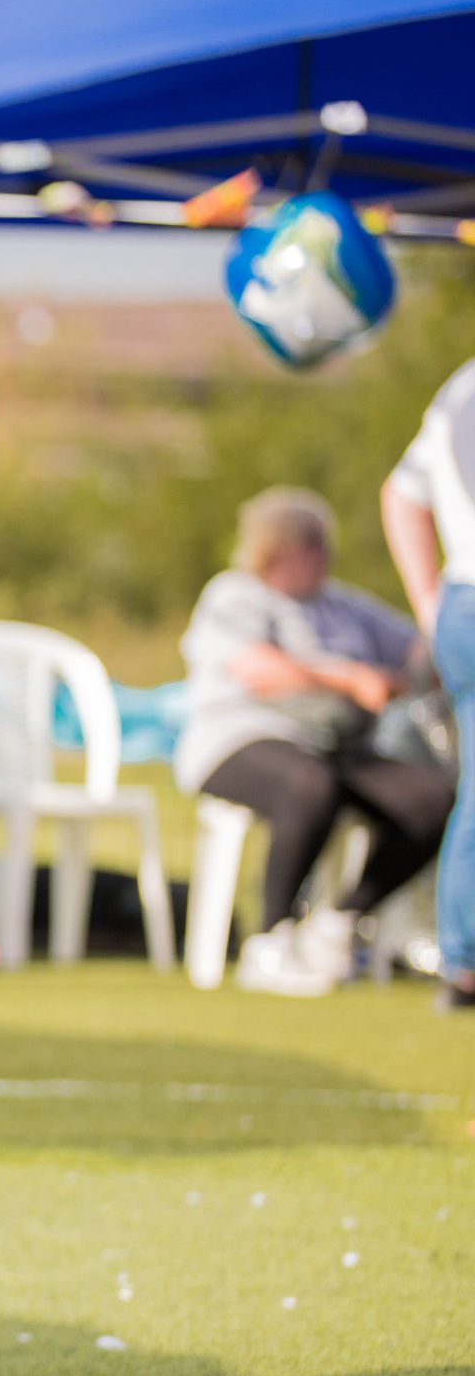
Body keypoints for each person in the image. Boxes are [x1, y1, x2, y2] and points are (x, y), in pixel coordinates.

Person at [181, 487, 451, 997]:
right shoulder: (237, 594)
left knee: (431, 799)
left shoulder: (344, 605)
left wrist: (431, 658)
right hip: (241, 739)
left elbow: (416, 651)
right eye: (314, 543)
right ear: (277, 547)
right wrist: (347, 679)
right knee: (309, 782)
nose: (326, 554)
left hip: (336, 748)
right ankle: (270, 938)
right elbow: (256, 670)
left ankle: (338, 922)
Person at [383, 362, 475, 1010]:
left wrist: (430, 603)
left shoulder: (461, 385)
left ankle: (464, 958)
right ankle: (465, 956)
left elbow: (402, 493)